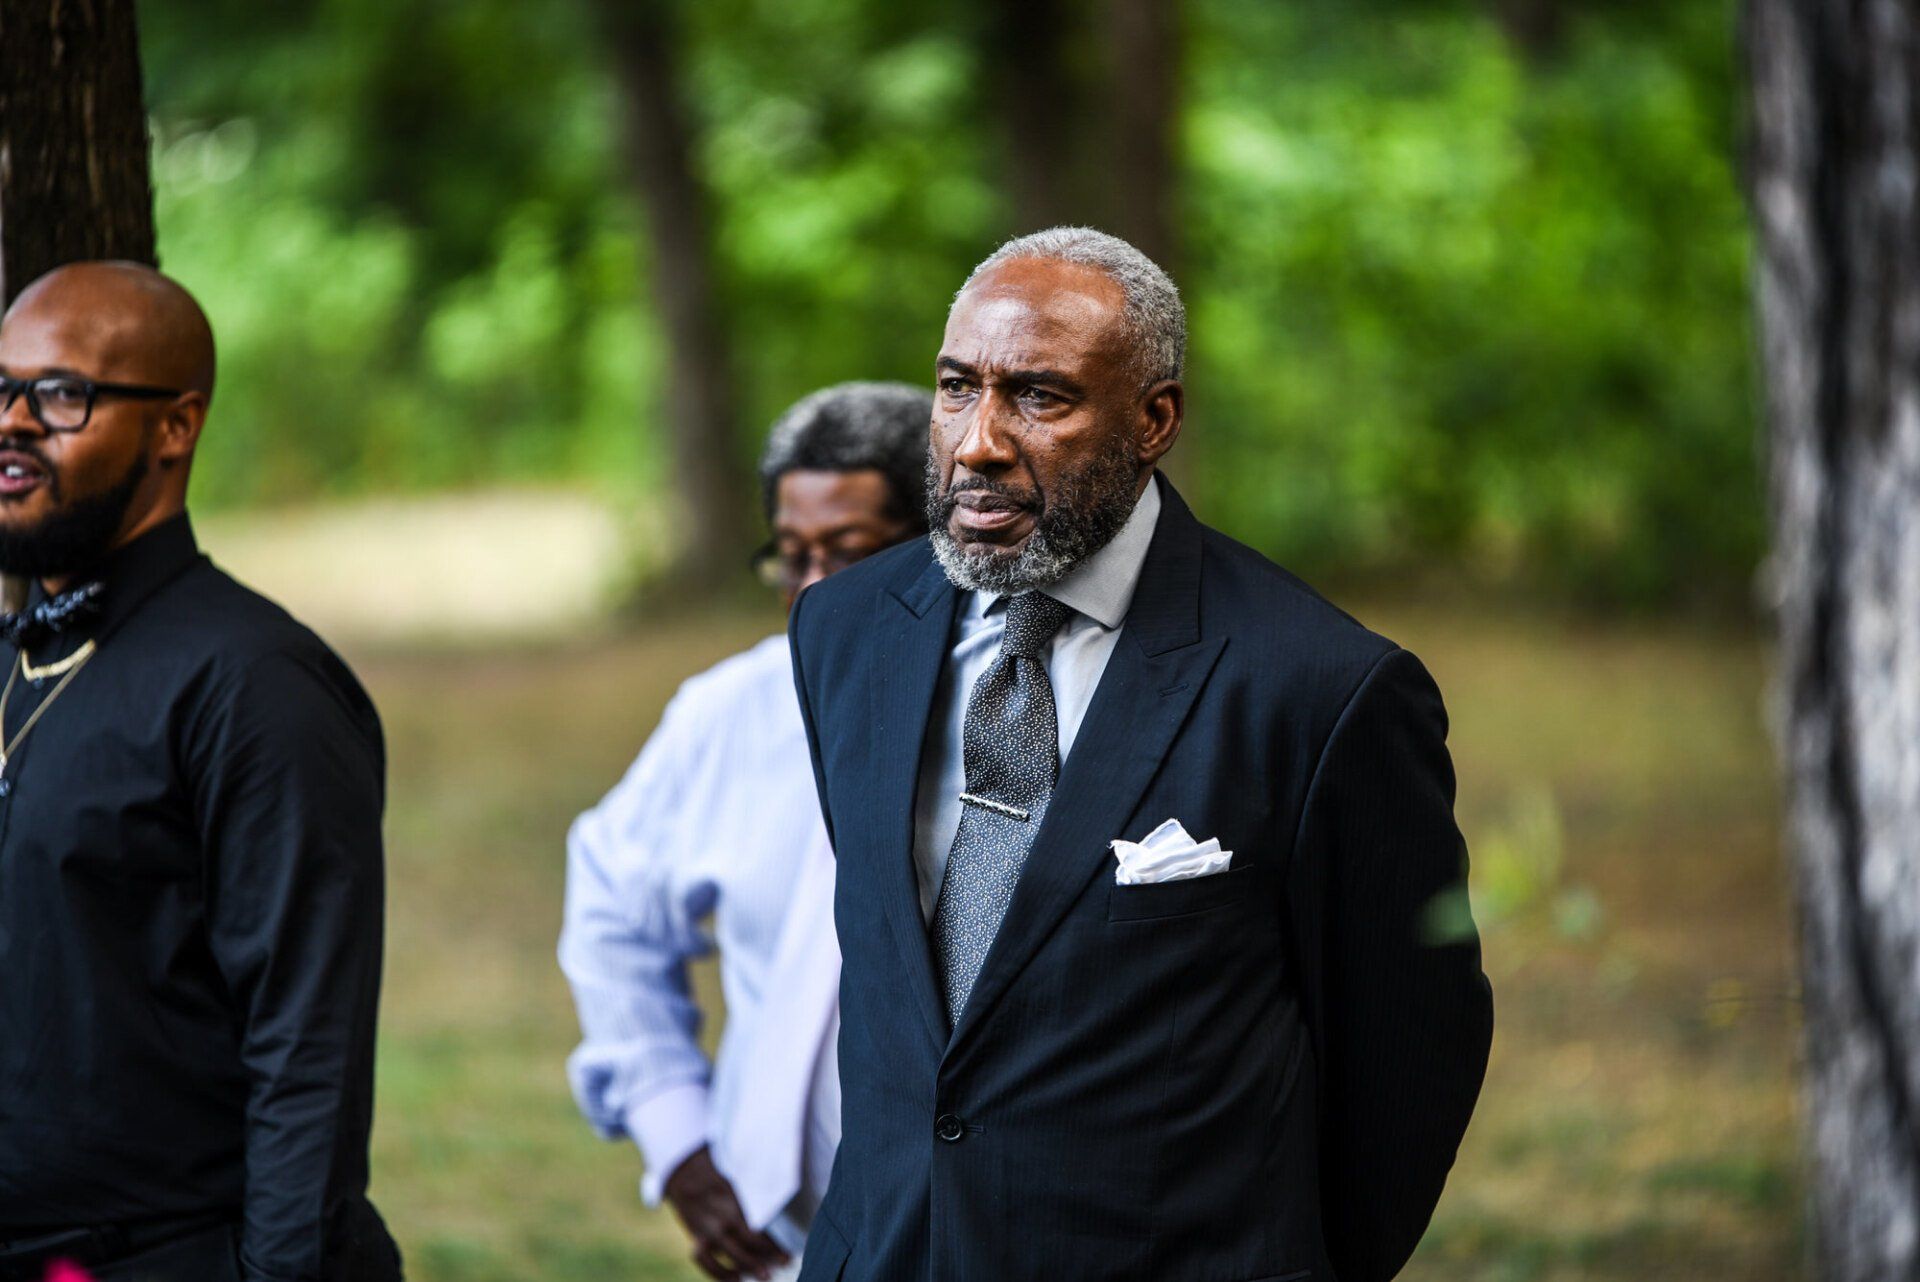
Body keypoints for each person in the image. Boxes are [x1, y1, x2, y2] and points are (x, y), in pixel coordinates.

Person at [787, 228, 1495, 1282]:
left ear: (1153, 420)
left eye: (1038, 396)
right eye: (955, 388)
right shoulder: (845, 629)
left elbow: (1408, 1051)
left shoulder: (1320, 689)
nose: (977, 441)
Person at [0, 262, 401, 1281]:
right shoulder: (11, 661)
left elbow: (307, 1050)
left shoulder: (259, 684)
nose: (13, 422)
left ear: (174, 427)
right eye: (0, 391)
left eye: (60, 394)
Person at [560, 382, 933, 1282]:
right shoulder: (727, 715)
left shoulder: (1013, 720)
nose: (811, 591)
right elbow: (611, 908)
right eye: (791, 556)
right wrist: (675, 1133)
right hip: (776, 1257)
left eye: (847, 554)